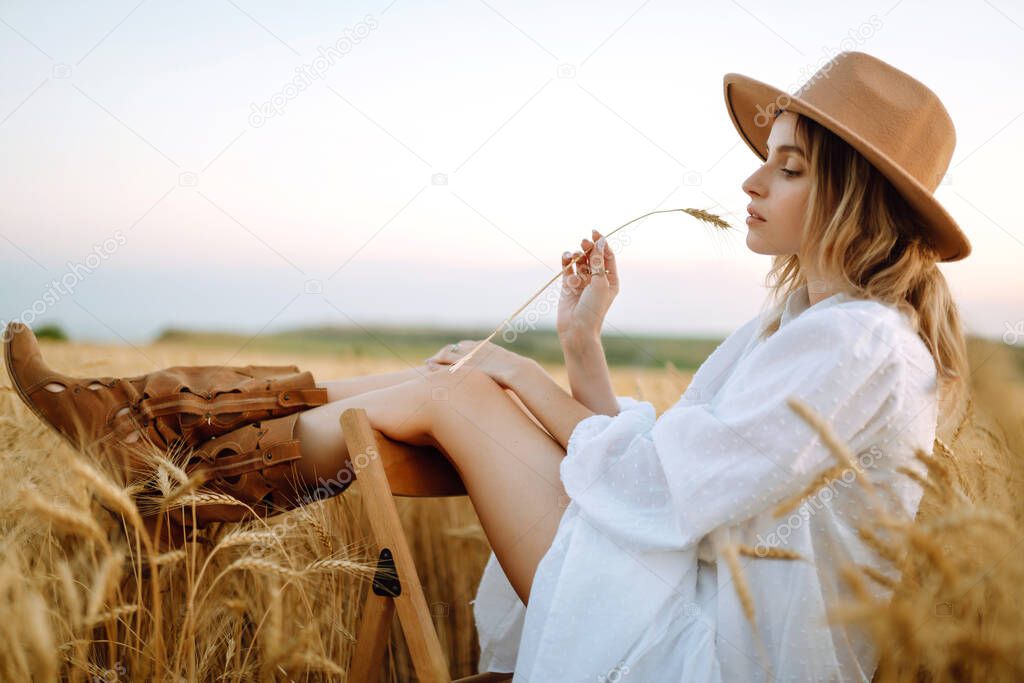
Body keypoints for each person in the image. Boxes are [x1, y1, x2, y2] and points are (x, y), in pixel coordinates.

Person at [4, 50, 970, 681]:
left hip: (711, 650)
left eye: (790, 166)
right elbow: (686, 460)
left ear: (855, 195)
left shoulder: (858, 342)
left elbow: (672, 487)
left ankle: (161, 448)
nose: (752, 179)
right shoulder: (815, 324)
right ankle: (159, 442)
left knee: (465, 385)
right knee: (466, 374)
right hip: (698, 598)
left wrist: (524, 382)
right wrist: (579, 349)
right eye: (769, 158)